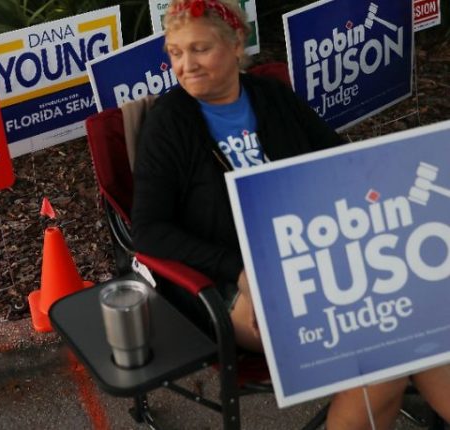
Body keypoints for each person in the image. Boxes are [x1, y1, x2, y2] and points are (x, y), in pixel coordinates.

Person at [130, 0, 450, 429]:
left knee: (427, 329)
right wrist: (240, 270)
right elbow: (149, 232)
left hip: (319, 257)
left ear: (236, 42)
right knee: (385, 361)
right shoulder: (170, 123)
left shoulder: (271, 96)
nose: (186, 65)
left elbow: (339, 162)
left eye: (200, 49)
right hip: (233, 284)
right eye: (175, 52)